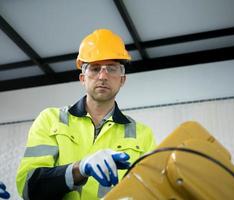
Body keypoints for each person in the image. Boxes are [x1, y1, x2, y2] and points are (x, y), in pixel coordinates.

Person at [16, 29, 156, 200]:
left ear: (122, 79)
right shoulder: (51, 119)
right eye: (95, 68)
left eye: (112, 69)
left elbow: (152, 191)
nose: (103, 76)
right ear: (83, 78)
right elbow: (28, 187)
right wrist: (79, 169)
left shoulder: (142, 134)